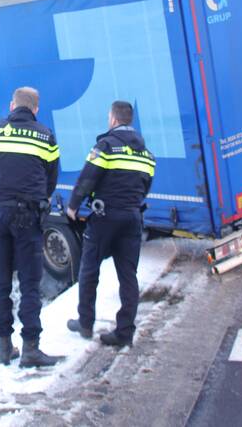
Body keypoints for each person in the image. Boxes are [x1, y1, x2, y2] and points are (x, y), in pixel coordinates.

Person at [0, 86, 64, 368]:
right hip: (28, 216)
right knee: (29, 284)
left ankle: (4, 347)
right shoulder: (45, 136)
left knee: (0, 283)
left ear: (12, 105)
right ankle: (30, 349)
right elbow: (52, 176)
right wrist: (39, 196)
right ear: (36, 109)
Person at [65, 101, 155, 349]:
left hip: (105, 219)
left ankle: (85, 323)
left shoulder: (105, 146)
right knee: (128, 276)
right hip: (132, 218)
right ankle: (124, 332)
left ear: (114, 119)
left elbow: (87, 178)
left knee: (89, 269)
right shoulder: (146, 155)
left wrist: (73, 206)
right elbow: (145, 187)